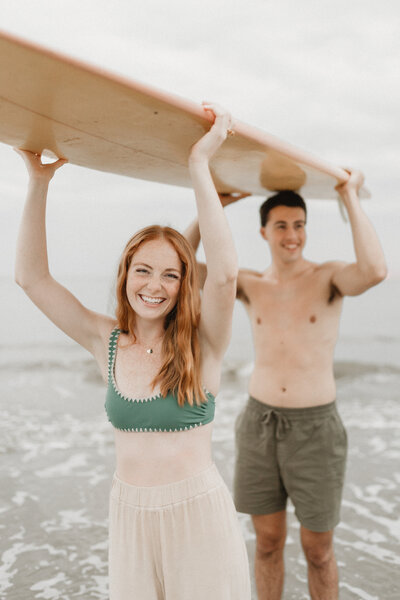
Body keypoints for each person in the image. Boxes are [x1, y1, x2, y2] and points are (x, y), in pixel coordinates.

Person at [14, 103, 251, 600]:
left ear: (184, 284)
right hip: (129, 516)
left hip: (197, 517)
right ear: (125, 275)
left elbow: (225, 273)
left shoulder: (203, 342)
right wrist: (39, 182)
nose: (154, 285)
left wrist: (199, 166)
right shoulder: (105, 340)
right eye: (143, 270)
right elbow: (32, 278)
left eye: (171, 274)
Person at [184, 172, 387, 600]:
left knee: (318, 550)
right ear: (264, 232)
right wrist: (211, 205)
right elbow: (182, 262)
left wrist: (348, 195)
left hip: (316, 429)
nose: (292, 235)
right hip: (259, 425)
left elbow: (374, 270)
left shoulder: (329, 278)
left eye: (299, 224)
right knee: (269, 542)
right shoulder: (250, 285)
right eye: (281, 225)